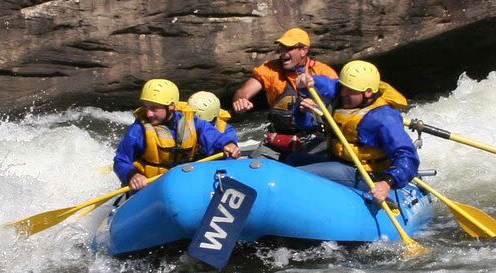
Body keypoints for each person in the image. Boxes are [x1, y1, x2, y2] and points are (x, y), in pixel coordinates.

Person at [289, 60, 419, 203]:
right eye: (343, 87)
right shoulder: (342, 92)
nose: (343, 93)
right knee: (291, 160)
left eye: (350, 90)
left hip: (365, 173)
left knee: (298, 175)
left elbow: (408, 156)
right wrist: (305, 88)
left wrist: (387, 182)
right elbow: (324, 87)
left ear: (368, 93)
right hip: (339, 161)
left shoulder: (383, 119)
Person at [113, 79, 241, 191]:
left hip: (186, 181)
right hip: (152, 187)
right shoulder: (138, 130)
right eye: (147, 107)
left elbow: (215, 137)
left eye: (154, 108)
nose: (149, 114)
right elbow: (121, 160)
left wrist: (229, 144)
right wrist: (132, 175)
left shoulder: (192, 122)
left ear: (171, 107)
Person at [231, 27, 337, 160]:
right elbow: (243, 91)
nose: (283, 53)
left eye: (289, 48)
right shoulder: (270, 69)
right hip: (278, 140)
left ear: (304, 50)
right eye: (282, 48)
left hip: (313, 140)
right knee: (254, 167)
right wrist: (241, 100)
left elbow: (337, 103)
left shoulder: (323, 72)